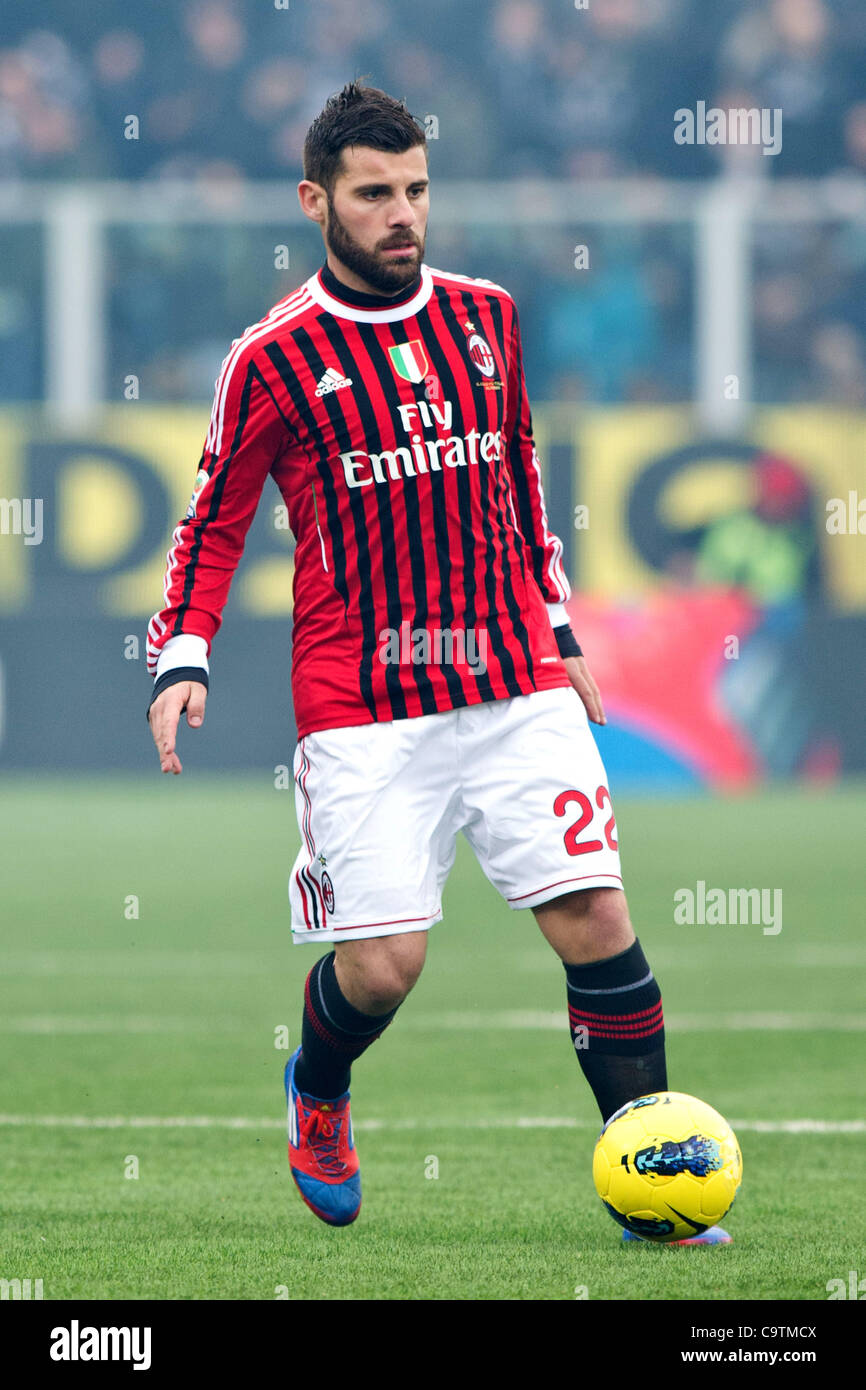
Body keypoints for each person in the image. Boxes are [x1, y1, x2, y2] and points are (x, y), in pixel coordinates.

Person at [146, 81, 727, 1244]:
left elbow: (517, 484)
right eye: (372, 194)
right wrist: (181, 655)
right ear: (317, 201)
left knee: (595, 921)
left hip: (512, 680)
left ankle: (654, 1197)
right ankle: (317, 1088)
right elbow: (213, 518)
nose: (400, 212)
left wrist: (558, 632)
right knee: (384, 968)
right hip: (362, 701)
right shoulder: (271, 356)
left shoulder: (488, 315)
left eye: (413, 188)